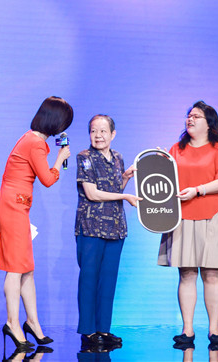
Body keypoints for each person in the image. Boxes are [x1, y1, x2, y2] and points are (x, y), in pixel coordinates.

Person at [0, 96, 73, 352]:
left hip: (18, 205)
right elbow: (48, 179)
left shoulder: (33, 140)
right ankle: (12, 323)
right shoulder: (35, 143)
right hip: (13, 207)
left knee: (26, 267)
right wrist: (60, 159)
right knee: (15, 268)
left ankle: (33, 323)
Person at [158, 100, 218, 347]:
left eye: (196, 116)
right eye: (188, 115)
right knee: (187, 273)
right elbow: (163, 181)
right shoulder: (176, 149)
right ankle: (188, 330)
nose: (190, 119)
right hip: (181, 218)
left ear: (209, 124)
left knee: (211, 274)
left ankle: (214, 330)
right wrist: (156, 164)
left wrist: (198, 190)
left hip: (211, 216)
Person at [75, 114, 141, 350]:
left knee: (108, 281)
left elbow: (113, 188)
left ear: (113, 134)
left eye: (103, 131)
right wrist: (125, 195)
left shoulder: (118, 158)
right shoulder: (84, 157)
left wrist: (125, 178)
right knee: (89, 279)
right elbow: (92, 193)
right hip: (91, 228)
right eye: (93, 131)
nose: (98, 135)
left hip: (115, 227)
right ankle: (88, 331)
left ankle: (103, 329)